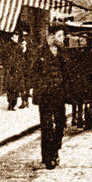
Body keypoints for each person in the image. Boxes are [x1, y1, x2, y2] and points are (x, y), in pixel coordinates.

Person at [35, 24, 69, 168]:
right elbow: (33, 72)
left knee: (60, 124)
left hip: (59, 94)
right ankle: (48, 156)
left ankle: (55, 150)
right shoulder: (40, 52)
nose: (63, 38)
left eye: (63, 36)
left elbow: (67, 73)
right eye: (60, 36)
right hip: (45, 95)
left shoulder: (63, 52)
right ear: (52, 37)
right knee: (47, 126)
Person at [1, 31, 26, 110]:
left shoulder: (16, 46)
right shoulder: (11, 46)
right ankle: (11, 103)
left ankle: (12, 103)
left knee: (13, 87)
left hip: (14, 69)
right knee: (12, 87)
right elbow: (5, 57)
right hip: (12, 69)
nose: (16, 38)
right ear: (12, 37)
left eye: (17, 36)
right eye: (15, 36)